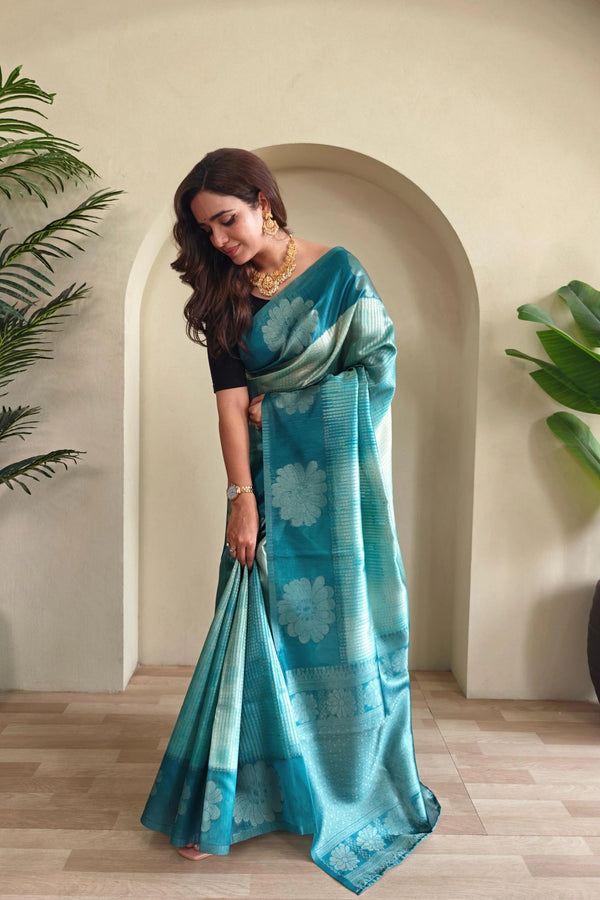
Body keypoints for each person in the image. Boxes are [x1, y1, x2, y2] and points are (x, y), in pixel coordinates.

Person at [140, 148, 439, 893]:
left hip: (334, 484)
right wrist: (240, 497)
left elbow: (377, 371)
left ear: (264, 202)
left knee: (340, 628)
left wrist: (300, 407)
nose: (218, 240)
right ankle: (233, 799)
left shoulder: (339, 273)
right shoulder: (222, 293)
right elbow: (228, 408)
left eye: (226, 220)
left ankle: (341, 781)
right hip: (267, 484)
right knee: (253, 627)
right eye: (205, 229)